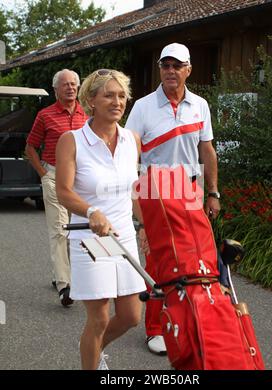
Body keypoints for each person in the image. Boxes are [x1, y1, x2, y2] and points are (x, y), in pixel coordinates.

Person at [125, 43, 221, 355]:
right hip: (155, 192)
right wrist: (137, 211)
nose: (170, 71)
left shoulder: (200, 105)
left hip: (189, 191)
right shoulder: (142, 106)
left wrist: (213, 192)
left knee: (194, 258)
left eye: (177, 65)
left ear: (188, 70)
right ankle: (156, 328)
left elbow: (206, 150)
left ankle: (189, 317)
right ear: (160, 69)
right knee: (157, 260)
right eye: (165, 65)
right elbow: (130, 155)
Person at [55, 69, 146, 370]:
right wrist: (91, 211)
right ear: (91, 100)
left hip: (124, 238)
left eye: (121, 95)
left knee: (132, 316)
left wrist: (145, 226)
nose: (117, 101)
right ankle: (91, 360)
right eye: (109, 95)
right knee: (99, 318)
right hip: (90, 239)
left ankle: (91, 350)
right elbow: (64, 192)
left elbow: (134, 191)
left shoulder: (132, 139)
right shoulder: (72, 140)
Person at [25, 69, 88, 307]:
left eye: (74, 84)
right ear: (56, 90)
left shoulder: (88, 114)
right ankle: (65, 285)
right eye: (65, 85)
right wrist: (43, 174)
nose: (70, 88)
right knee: (60, 230)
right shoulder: (45, 115)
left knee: (80, 230)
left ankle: (62, 274)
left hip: (80, 180)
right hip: (53, 176)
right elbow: (30, 148)